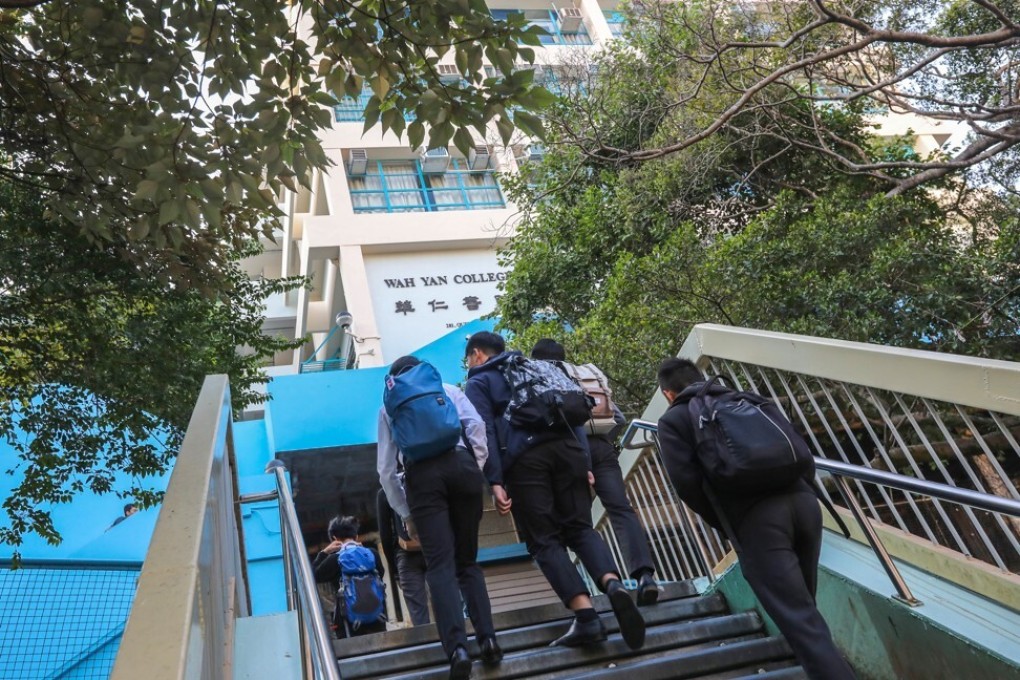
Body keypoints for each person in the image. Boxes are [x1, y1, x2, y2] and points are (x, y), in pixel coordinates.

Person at [656, 358, 856, 680]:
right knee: (805, 614)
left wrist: (728, 524)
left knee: (801, 622)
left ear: (668, 393)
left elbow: (686, 485)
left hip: (757, 521)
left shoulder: (674, 419)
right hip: (805, 506)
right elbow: (800, 450)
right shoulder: (748, 399)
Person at [464, 331, 646, 651]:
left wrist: (495, 480)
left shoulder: (479, 381)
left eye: (467, 359)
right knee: (580, 528)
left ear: (477, 354)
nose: (468, 364)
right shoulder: (537, 367)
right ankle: (613, 584)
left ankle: (586, 616)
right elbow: (574, 416)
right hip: (570, 452)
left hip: (525, 462)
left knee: (543, 539)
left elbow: (484, 431)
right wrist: (585, 462)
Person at [377, 355, 501, 680]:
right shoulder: (446, 389)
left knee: (440, 566)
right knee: (467, 562)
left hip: (421, 479)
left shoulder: (389, 406)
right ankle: (488, 640)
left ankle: (458, 649)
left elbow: (386, 471)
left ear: (394, 380)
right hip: (461, 466)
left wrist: (405, 512)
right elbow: (476, 426)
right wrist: (475, 466)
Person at [530, 338, 660, 605]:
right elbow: (618, 418)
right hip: (601, 448)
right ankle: (645, 576)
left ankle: (609, 583)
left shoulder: (539, 378)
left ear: (535, 359)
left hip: (569, 451)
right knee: (620, 509)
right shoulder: (585, 375)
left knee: (579, 525)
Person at [312, 515, 387, 638]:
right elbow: (381, 574)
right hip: (377, 617)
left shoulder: (335, 559)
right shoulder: (372, 553)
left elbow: (313, 576)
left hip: (348, 623)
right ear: (356, 536)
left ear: (334, 538)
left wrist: (324, 552)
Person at [376, 487, 431, 626]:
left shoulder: (385, 492)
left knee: (418, 613)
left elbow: (385, 535)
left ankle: (425, 639)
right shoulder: (427, 480)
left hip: (406, 556)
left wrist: (395, 572)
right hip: (434, 550)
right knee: (446, 605)